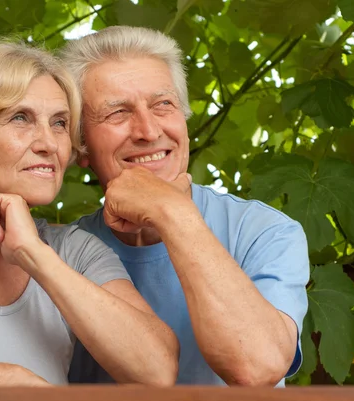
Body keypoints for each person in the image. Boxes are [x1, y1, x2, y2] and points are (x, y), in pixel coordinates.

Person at [0, 41, 179, 386]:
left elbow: (156, 370)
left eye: (59, 123)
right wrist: (12, 382)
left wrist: (35, 256)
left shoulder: (75, 251)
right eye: (20, 118)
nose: (49, 143)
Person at [62, 26, 310, 386]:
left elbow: (256, 368)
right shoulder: (61, 254)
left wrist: (171, 213)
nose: (148, 130)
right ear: (81, 145)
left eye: (163, 104)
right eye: (117, 113)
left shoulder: (265, 231)